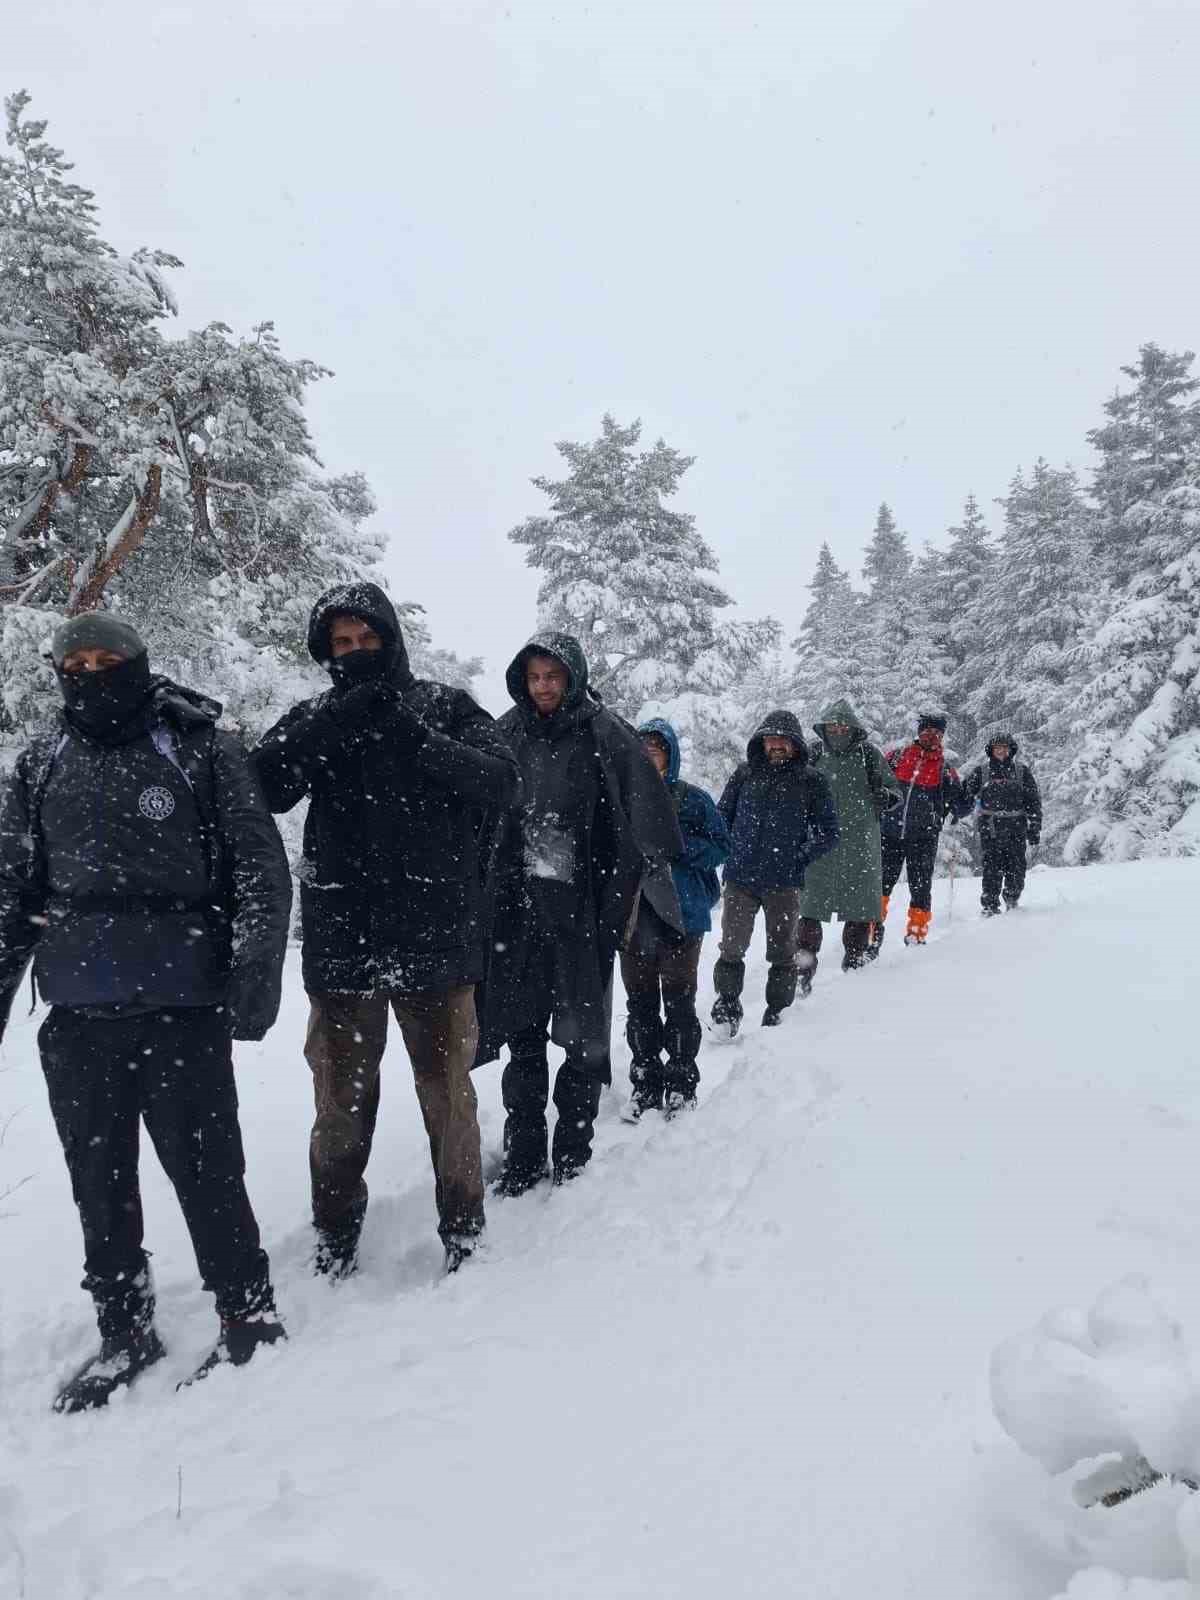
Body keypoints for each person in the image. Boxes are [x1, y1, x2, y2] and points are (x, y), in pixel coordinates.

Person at [0, 614, 292, 1413]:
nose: (91, 674)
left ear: (139, 663)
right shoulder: (39, 762)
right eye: (75, 663)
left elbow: (260, 869)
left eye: (107, 660)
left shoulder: (198, 748)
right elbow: (10, 891)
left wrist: (254, 975)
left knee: (207, 1170)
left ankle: (247, 1313)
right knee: (99, 1179)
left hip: (183, 1002)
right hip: (79, 1014)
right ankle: (124, 1330)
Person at [253, 582, 521, 1277]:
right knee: (339, 1102)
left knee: (448, 1097)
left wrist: (414, 738)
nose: (355, 652)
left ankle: (463, 1227)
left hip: (436, 936)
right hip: (343, 940)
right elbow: (262, 785)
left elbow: (499, 780)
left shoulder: (443, 706)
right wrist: (332, 725)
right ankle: (335, 1229)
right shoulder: (316, 714)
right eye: (340, 643)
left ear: (390, 639)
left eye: (366, 638)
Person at [477, 633, 684, 1193]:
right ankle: (522, 1155)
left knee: (578, 1040)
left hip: (582, 920)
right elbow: (479, 808)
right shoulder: (508, 732)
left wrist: (612, 896)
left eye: (553, 676)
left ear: (572, 677)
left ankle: (571, 1151)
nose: (543, 687)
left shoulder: (607, 734)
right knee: (523, 1038)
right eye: (534, 677)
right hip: (518, 921)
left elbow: (649, 825)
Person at [620, 719, 729, 1122]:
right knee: (641, 1007)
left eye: (657, 746)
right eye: (642, 746)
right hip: (633, 917)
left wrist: (679, 848)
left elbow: (722, 847)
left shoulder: (692, 799)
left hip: (684, 916)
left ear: (671, 753)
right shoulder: (621, 796)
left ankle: (682, 1085)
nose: (649, 752)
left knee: (680, 1004)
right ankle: (645, 1085)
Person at [711, 711, 839, 1034]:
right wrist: (729, 851)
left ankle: (777, 1013)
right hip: (740, 878)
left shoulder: (811, 781)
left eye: (784, 739)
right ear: (762, 742)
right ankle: (727, 1008)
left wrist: (800, 857)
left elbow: (829, 831)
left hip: (783, 882)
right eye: (771, 739)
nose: (777, 745)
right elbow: (720, 818)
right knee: (731, 947)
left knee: (782, 953)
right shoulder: (744, 775)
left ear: (795, 744)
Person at [798, 699, 900, 981]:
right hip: (820, 844)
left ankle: (853, 969)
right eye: (833, 724)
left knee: (858, 911)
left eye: (843, 724)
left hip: (860, 845)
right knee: (810, 910)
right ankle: (802, 972)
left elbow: (894, 789)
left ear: (852, 726)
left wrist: (886, 797)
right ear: (825, 726)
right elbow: (795, 786)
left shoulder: (868, 755)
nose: (838, 729)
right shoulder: (814, 753)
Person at [873, 712, 968, 951]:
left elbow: (960, 805)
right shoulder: (896, 758)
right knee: (881, 884)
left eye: (937, 733)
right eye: (927, 732)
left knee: (921, 886)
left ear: (942, 737)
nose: (931, 737)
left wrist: (971, 792)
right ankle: (870, 930)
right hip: (889, 832)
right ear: (919, 733)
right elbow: (873, 785)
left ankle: (916, 934)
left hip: (924, 837)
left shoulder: (945, 769)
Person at [962, 731, 1042, 914]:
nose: (1001, 751)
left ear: (1010, 750)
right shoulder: (981, 772)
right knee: (991, 869)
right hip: (990, 829)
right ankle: (990, 906)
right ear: (991, 750)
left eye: (1004, 748)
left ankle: (1012, 902)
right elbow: (965, 795)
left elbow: (1033, 801)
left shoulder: (1021, 772)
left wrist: (1035, 826)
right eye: (997, 748)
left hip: (1017, 828)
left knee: (1017, 869)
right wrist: (954, 810)